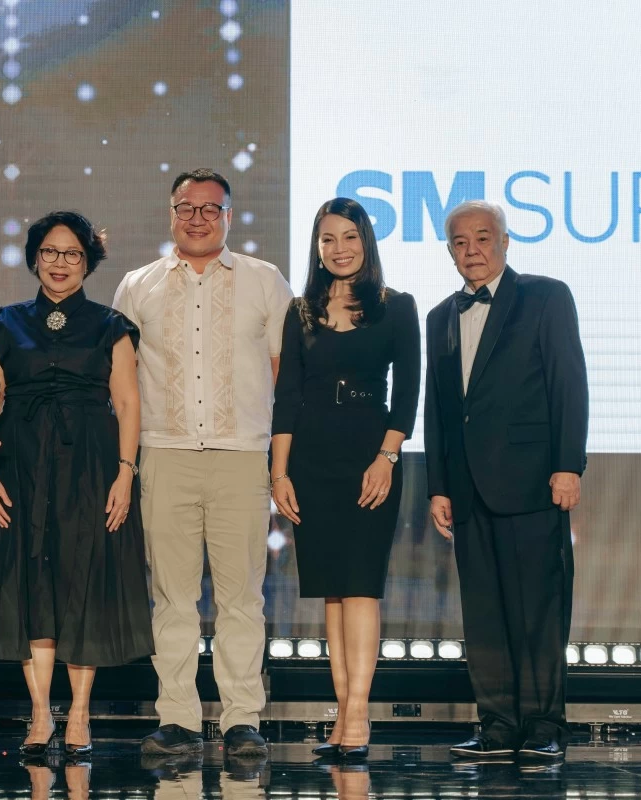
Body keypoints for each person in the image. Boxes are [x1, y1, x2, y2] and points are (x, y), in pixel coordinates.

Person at [114, 169, 293, 757]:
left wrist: (277, 462)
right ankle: (179, 719)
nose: (197, 218)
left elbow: (283, 376)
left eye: (209, 209)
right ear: (171, 214)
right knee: (172, 596)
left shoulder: (265, 282)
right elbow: (121, 387)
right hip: (163, 455)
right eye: (185, 208)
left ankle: (243, 719)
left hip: (241, 456)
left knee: (242, 597)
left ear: (228, 216)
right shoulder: (137, 286)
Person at [0, 210, 154, 759]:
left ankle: (78, 714)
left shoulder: (111, 325)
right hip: (20, 466)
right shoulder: (1, 325)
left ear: (88, 262)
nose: (60, 263)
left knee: (83, 580)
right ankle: (39, 715)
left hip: (92, 468)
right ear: (34, 257)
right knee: (32, 581)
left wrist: (126, 474)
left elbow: (127, 404)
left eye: (72, 253)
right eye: (50, 252)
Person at [424, 200, 588, 761]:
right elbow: (440, 408)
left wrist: (569, 464)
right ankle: (496, 723)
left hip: (533, 480)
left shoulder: (546, 296)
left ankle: (544, 726)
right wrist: (437, 485)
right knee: (485, 612)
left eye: (482, 239)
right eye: (460, 243)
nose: (472, 251)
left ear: (505, 241)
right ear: (450, 250)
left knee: (539, 609)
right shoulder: (440, 315)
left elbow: (569, 381)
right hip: (467, 488)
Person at [270, 198, 420, 759]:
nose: (339, 248)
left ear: (366, 242)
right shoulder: (300, 311)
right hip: (310, 458)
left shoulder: (395, 306)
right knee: (331, 591)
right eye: (328, 238)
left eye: (349, 237)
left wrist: (386, 457)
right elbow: (287, 397)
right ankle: (341, 713)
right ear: (317, 245)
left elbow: (407, 395)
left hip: (368, 453)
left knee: (361, 586)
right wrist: (278, 472)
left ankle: (358, 713)